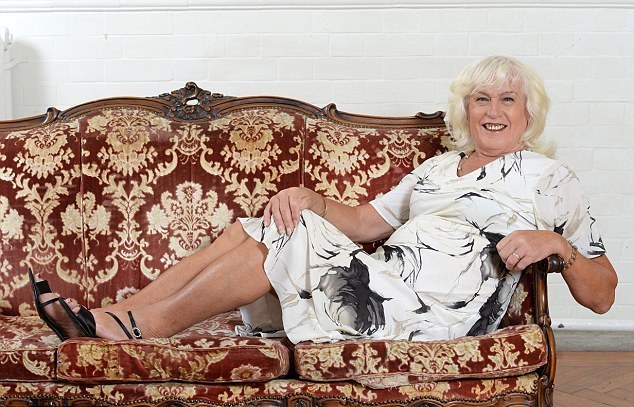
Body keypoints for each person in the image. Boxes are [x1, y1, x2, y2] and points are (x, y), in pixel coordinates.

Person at [31, 56, 617, 344]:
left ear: (529, 113)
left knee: (282, 236)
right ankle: (116, 314)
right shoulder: (438, 168)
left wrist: (557, 245)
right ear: (465, 110)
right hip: (383, 280)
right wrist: (310, 198)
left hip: (427, 312)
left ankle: (140, 327)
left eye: (508, 99)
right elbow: (364, 221)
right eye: (481, 99)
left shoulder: (549, 178)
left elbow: (603, 294)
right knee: (260, 223)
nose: (493, 111)